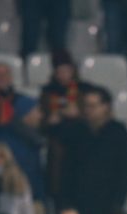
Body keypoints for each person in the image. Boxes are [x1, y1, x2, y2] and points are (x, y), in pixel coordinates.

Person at [48, 86, 127, 214]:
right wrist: (64, 203)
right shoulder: (75, 130)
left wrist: (117, 206)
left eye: (93, 105)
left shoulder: (118, 132)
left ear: (106, 107)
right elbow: (64, 169)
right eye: (86, 105)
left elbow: (124, 172)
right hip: (77, 207)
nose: (89, 110)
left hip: (106, 208)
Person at [0, 64, 46, 210]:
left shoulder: (32, 139)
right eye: (36, 111)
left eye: (5, 74)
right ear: (25, 115)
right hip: (12, 204)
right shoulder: (3, 141)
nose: (40, 115)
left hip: (30, 199)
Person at [39, 50, 95, 204]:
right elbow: (41, 124)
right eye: (59, 71)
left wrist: (80, 114)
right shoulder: (48, 92)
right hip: (59, 154)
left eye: (66, 71)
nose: (63, 75)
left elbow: (98, 119)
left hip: (83, 150)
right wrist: (49, 121)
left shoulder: (85, 90)